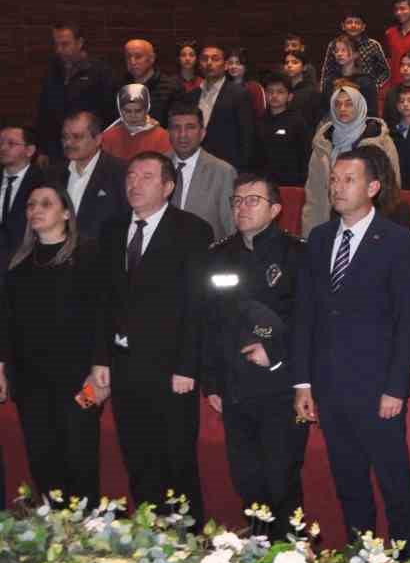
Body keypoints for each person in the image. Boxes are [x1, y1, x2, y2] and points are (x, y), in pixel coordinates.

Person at [291, 151, 410, 553]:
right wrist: (302, 382)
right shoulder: (319, 238)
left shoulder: (398, 241)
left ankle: (402, 561)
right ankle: (360, 558)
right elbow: (305, 315)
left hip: (377, 387)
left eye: (348, 180)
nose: (337, 187)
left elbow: (407, 322)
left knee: (393, 480)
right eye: (334, 179)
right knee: (348, 481)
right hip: (330, 387)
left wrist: (396, 388)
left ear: (372, 188)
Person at [87, 152, 215, 522]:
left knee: (177, 460)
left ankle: (188, 541)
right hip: (124, 365)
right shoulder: (111, 229)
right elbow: (102, 301)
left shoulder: (192, 230)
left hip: (171, 367)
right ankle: (149, 536)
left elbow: (197, 305)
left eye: (146, 176)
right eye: (130, 175)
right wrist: (100, 357)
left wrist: (188, 365)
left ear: (168, 187)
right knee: (137, 456)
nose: (134, 184)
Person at [198, 174, 307, 541]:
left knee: (281, 480)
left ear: (275, 209)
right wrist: (211, 380)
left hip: (279, 385)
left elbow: (309, 320)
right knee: (247, 479)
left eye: (252, 200)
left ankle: (290, 556)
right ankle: (260, 555)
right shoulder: (219, 255)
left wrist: (275, 352)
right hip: (235, 386)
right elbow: (210, 321)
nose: (241, 208)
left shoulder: (297, 255)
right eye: (236, 200)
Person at [0, 180, 102, 502]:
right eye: (31, 204)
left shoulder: (89, 256)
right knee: (43, 460)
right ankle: (55, 536)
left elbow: (104, 316)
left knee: (81, 457)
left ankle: (86, 538)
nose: (35, 210)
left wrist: (101, 371)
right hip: (31, 385)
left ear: (67, 213)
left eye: (45, 204)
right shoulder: (17, 264)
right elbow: (7, 323)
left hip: (81, 383)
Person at [302, 83, 401, 234]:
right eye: (338, 104)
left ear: (360, 106)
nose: (342, 109)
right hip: (328, 221)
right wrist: (310, 233)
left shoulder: (380, 140)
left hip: (370, 222)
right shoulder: (322, 142)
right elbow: (314, 195)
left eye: (349, 104)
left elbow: (392, 187)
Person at [34, 23, 118, 163]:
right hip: (56, 149)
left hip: (87, 147)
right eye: (56, 45)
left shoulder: (100, 72)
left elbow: (110, 113)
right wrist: (42, 149)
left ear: (79, 43)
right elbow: (44, 112)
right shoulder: (52, 71)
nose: (59, 50)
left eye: (65, 44)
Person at [164, 100, 236, 241]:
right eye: (176, 128)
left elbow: (231, 227)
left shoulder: (223, 172)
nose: (182, 134)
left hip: (206, 255)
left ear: (202, 133)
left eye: (190, 127)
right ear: (169, 133)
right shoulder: (157, 165)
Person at [55, 111, 128, 239]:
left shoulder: (120, 172)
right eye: (65, 137)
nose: (68, 143)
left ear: (98, 139)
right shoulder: (54, 173)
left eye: (77, 137)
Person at [188, 45, 256, 169]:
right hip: (196, 161)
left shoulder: (239, 94)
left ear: (225, 65)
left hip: (227, 164)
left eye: (215, 59)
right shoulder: (192, 95)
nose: (209, 63)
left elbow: (247, 136)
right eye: (204, 59)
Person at [254, 72, 310, 187]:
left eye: (280, 92)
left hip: (290, 184)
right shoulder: (258, 120)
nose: (274, 96)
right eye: (270, 91)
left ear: (290, 96)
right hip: (263, 183)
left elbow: (305, 157)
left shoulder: (297, 122)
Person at [0, 126, 43, 266]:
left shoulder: (43, 182)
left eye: (11, 143)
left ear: (30, 150)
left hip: (25, 263)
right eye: (0, 143)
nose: (3, 148)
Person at [121, 38, 184, 129]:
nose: (132, 62)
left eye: (138, 57)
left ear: (152, 58)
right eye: (128, 57)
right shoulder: (121, 87)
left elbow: (179, 124)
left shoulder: (172, 87)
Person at [100, 83, 172, 161]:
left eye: (138, 111)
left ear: (146, 109)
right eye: (127, 111)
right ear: (120, 111)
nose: (133, 115)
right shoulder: (108, 136)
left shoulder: (162, 137)